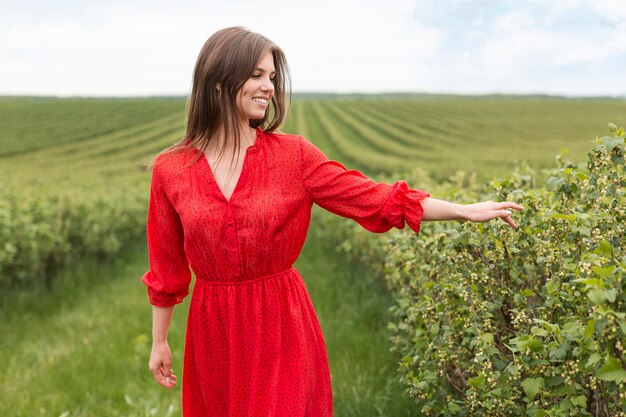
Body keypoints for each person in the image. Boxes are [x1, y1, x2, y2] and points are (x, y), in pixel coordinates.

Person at [141, 26, 523, 417]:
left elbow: (372, 197)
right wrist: (159, 342)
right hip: (214, 330)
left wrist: (463, 209)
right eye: (256, 75)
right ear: (219, 81)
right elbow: (167, 268)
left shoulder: (294, 157)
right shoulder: (171, 169)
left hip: (280, 323)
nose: (269, 86)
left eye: (272, 77)